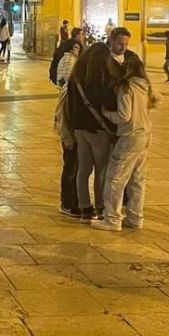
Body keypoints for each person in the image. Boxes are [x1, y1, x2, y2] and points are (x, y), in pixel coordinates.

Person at [97, 58, 160, 231]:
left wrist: (107, 113)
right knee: (137, 179)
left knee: (115, 178)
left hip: (130, 137)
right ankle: (135, 217)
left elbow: (124, 116)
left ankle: (111, 219)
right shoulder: (145, 87)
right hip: (145, 135)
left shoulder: (126, 88)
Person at [67, 42, 116, 222]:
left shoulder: (76, 77)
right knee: (101, 170)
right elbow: (110, 104)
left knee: (83, 169)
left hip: (80, 129)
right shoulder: (102, 78)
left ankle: (85, 208)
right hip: (98, 130)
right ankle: (101, 207)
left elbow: (69, 105)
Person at [55, 41, 82, 218]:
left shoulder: (79, 85)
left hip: (80, 136)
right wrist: (67, 137)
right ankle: (68, 201)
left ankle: (78, 201)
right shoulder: (70, 86)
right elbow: (62, 116)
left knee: (77, 168)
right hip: (72, 136)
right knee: (72, 167)